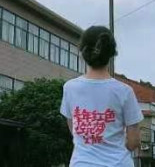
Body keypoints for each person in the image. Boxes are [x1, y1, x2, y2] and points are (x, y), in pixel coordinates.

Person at [60, 26, 143, 167]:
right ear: (112, 54)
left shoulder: (70, 88)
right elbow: (134, 141)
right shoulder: (124, 91)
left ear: (82, 52)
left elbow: (74, 129)